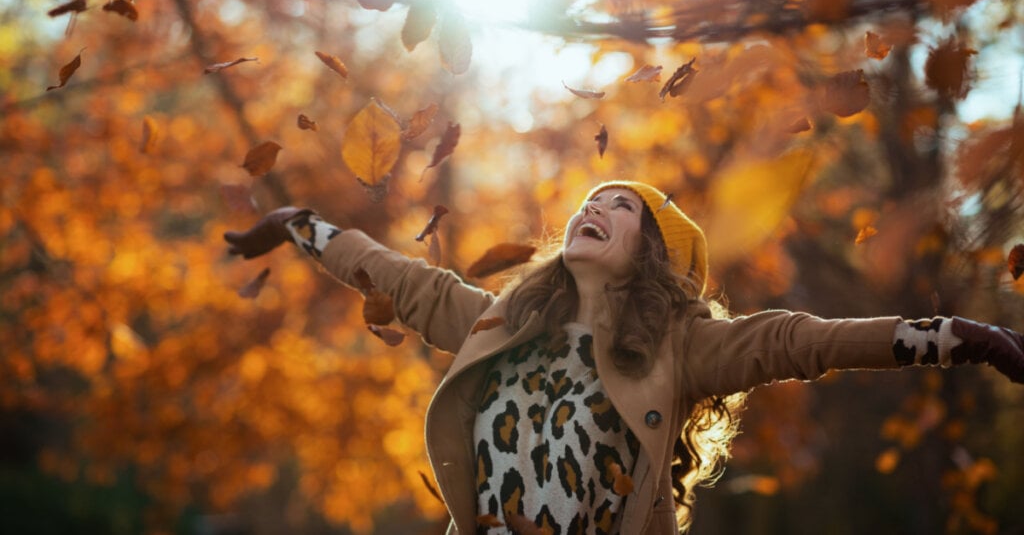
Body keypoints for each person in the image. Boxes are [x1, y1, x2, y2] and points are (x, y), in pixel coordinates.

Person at [224, 180, 1024, 535]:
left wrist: (953, 337)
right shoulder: (499, 322)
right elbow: (399, 277)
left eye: (619, 205)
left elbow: (801, 338)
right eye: (589, 199)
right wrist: (302, 225)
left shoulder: (685, 350)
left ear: (657, 256)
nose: (592, 206)